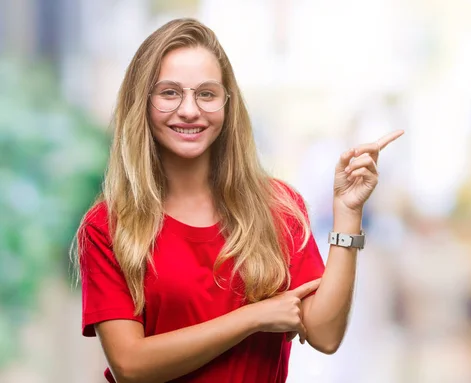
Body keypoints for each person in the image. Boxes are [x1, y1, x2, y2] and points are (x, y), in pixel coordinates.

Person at [74, 18, 403, 383]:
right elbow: (130, 365)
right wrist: (254, 317)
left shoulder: (277, 207)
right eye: (169, 92)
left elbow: (324, 335)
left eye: (206, 94)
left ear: (228, 104)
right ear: (143, 103)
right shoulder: (107, 226)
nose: (189, 110)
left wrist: (347, 213)